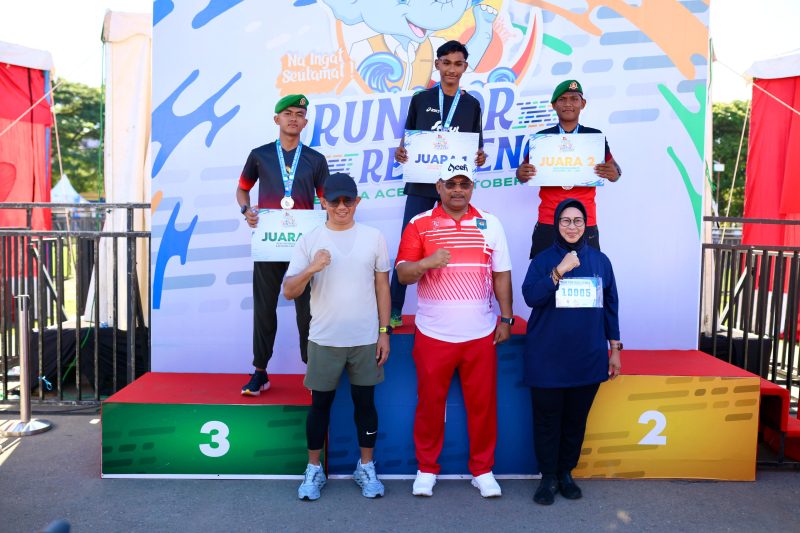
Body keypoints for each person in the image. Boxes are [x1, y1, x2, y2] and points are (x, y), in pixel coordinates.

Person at [396, 161, 513, 498]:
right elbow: (403, 274)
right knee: (430, 404)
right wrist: (425, 264)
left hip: (480, 333)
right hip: (434, 334)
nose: (458, 190)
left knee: (483, 406)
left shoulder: (490, 223)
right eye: (451, 184)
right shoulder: (420, 224)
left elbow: (501, 273)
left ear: (472, 187)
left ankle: (483, 470)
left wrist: (505, 318)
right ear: (439, 187)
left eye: (464, 183)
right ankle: (426, 469)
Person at [283, 172, 391, 501]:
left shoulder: (374, 237)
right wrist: (312, 268)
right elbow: (289, 291)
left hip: (364, 339)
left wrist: (384, 332)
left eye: (348, 200)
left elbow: (382, 286)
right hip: (324, 339)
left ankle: (366, 466)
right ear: (323, 203)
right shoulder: (310, 240)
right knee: (320, 406)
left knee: (365, 405)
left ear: (357, 201)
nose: (341, 207)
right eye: (335, 201)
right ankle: (314, 469)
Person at [521, 198, 621, 506]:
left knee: (575, 421)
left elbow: (610, 307)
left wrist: (614, 348)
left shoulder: (601, 262)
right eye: (566, 221)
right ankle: (548, 477)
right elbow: (530, 297)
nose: (572, 226)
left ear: (586, 225)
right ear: (556, 224)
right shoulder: (541, 260)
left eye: (578, 221)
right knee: (547, 421)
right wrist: (558, 272)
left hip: (586, 358)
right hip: (547, 358)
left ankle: (566, 473)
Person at [236, 94, 330, 395]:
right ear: (276, 119)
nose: (293, 118)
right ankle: (260, 371)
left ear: (305, 121)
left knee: (307, 311)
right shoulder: (260, 155)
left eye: (299, 114)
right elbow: (242, 189)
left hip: (303, 245)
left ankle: (312, 370)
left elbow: (325, 199)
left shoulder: (315, 159)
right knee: (264, 308)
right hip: (269, 242)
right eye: (287, 113)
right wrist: (246, 210)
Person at [391, 39, 487, 327]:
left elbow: (476, 147)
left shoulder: (471, 104)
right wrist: (401, 152)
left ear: (465, 67)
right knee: (408, 246)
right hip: (421, 184)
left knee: (456, 246)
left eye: (458, 64)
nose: (452, 70)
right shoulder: (421, 100)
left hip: (455, 188)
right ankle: (394, 310)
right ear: (437, 65)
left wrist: (480, 157)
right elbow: (406, 142)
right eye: (446, 63)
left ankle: (457, 306)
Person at [515, 80, 622, 259]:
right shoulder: (541, 138)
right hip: (549, 220)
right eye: (562, 99)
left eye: (574, 99)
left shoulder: (594, 137)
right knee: (545, 279)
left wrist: (615, 173)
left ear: (583, 103)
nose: (568, 104)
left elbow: (615, 171)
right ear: (554, 105)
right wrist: (521, 174)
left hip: (584, 221)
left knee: (587, 278)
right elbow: (522, 174)